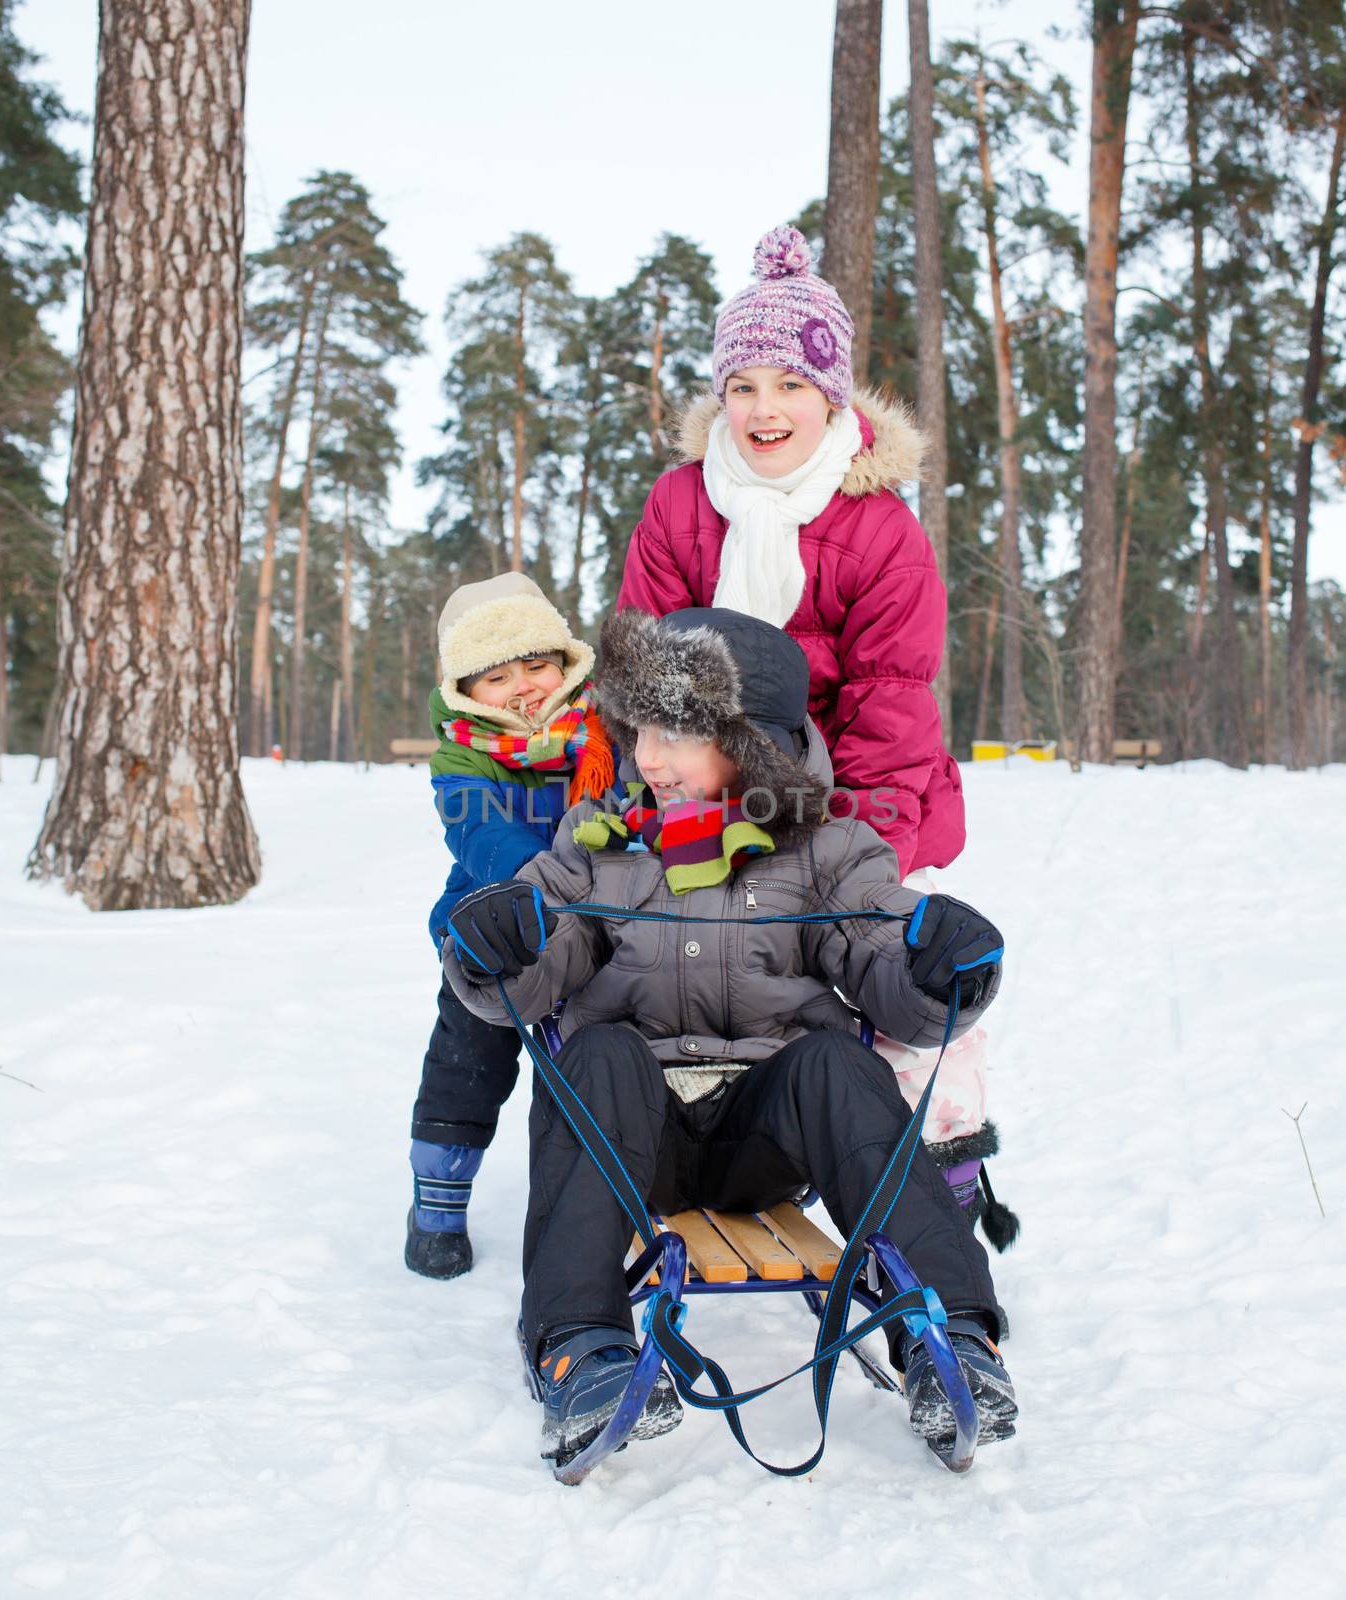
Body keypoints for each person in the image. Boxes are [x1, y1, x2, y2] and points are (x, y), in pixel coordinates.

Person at [443, 606, 1018, 1471]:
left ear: (751, 741)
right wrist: (497, 952)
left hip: (766, 1132)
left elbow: (888, 973)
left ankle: (953, 1338)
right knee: (589, 1052)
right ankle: (578, 1349)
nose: (645, 756)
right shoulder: (598, 843)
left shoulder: (830, 849)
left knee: (836, 1062)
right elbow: (537, 966)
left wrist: (943, 970)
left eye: (674, 731)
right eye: (637, 728)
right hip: (633, 1133)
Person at [617, 223, 1012, 1241]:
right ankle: (688, 1135)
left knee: (892, 959)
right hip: (705, 787)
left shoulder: (879, 525)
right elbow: (644, 671)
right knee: (670, 957)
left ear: (830, 396)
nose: (763, 410)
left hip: (855, 792)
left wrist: (849, 841)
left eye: (788, 386)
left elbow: (890, 694)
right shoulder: (679, 504)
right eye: (742, 385)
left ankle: (944, 1169)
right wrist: (648, 792)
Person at [405, 572, 614, 1280]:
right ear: (466, 690)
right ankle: (438, 1195)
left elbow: (632, 815)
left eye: (535, 664)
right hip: (493, 937)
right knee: (467, 1066)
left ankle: (586, 1197)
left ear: (564, 664)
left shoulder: (601, 740)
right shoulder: (461, 759)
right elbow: (479, 836)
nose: (523, 686)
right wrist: (540, 884)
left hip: (590, 938)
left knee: (586, 1070)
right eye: (497, 676)